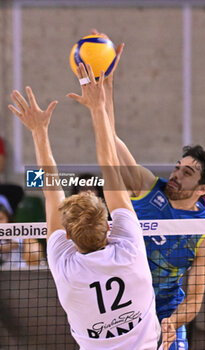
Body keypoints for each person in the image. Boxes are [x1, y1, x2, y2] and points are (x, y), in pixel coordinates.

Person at [8, 77, 167, 349]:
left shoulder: (65, 266)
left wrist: (39, 131)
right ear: (108, 226)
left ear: (69, 235)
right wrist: (98, 108)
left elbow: (52, 192)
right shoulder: (129, 250)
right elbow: (109, 165)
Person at [91, 29, 205, 350]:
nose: (175, 174)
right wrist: (106, 86)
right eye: (178, 166)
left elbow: (195, 298)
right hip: (121, 307)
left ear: (202, 189)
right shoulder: (147, 185)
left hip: (165, 312)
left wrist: (172, 322)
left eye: (186, 173)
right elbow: (111, 140)